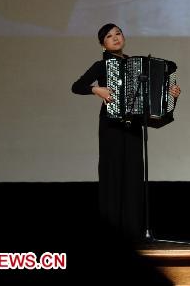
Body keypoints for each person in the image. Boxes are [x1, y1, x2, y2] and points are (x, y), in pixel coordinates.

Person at [71, 23, 181, 240]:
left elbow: (151, 95)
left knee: (133, 177)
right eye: (109, 36)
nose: (115, 38)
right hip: (111, 126)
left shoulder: (137, 64)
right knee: (113, 176)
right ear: (103, 44)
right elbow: (76, 86)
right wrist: (97, 90)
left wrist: (170, 94)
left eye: (118, 33)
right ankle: (111, 235)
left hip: (133, 126)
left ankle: (133, 233)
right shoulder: (101, 65)